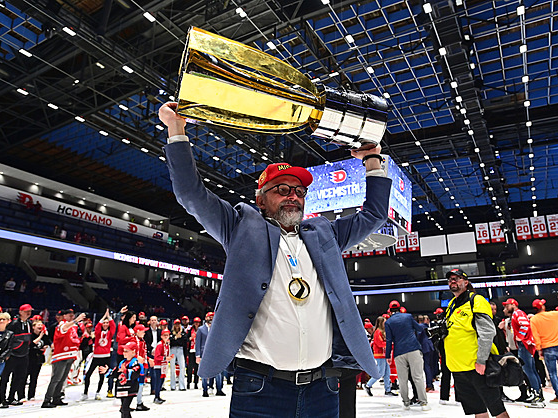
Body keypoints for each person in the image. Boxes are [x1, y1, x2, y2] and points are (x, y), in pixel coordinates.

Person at [159, 100, 389, 417]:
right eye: (281, 189)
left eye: (299, 191)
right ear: (261, 199)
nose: (293, 195)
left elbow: (375, 215)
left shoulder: (325, 232)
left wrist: (372, 160)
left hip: (323, 388)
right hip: (260, 390)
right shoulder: (240, 225)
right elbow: (190, 194)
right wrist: (176, 129)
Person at [443, 268, 508, 418]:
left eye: (457, 278)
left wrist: (481, 360)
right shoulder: (452, 304)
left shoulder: (476, 300)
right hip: (457, 367)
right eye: (450, 279)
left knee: (496, 408)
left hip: (476, 366)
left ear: (466, 282)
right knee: (477, 410)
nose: (453, 281)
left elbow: (487, 332)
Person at [529, 296, 558, 404]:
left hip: (547, 348)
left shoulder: (534, 319)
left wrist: (539, 349)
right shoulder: (552, 314)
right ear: (543, 307)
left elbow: (536, 336)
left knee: (553, 374)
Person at [384, 300, 429, 410]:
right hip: (413, 348)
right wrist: (424, 325)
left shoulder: (388, 323)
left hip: (399, 352)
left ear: (390, 311)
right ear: (400, 308)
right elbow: (418, 328)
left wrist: (387, 356)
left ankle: (406, 403)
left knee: (402, 379)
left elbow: (389, 340)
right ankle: (423, 403)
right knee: (417, 377)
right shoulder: (408, 317)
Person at [502, 298, 544, 404]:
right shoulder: (517, 314)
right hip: (526, 344)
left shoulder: (518, 313)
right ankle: (537, 393)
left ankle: (536, 394)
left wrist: (519, 337)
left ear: (513, 304)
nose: (505, 308)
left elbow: (525, 325)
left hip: (524, 344)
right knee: (531, 370)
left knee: (528, 371)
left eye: (507, 306)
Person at [42, 309, 86, 408]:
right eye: (69, 315)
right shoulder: (62, 324)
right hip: (61, 356)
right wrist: (76, 320)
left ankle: (56, 398)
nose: (71, 317)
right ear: (64, 316)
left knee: (62, 379)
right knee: (56, 379)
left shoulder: (74, 326)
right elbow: (65, 328)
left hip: (70, 355)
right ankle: (47, 400)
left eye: (72, 315)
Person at [0, 303, 33, 408]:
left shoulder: (29, 324)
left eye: (30, 311)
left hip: (24, 355)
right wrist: (6, 353)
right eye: (26, 311)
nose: (29, 313)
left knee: (19, 377)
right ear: (20, 312)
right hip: (12, 355)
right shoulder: (13, 324)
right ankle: (2, 400)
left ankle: (11, 397)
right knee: (5, 378)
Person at [82, 309, 115, 400]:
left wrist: (109, 317)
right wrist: (104, 316)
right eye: (104, 323)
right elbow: (97, 326)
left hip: (106, 357)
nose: (105, 324)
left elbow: (113, 326)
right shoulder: (98, 332)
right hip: (96, 357)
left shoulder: (110, 333)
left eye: (107, 323)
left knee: (102, 376)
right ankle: (85, 393)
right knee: (88, 375)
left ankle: (98, 392)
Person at [106, 342, 143, 418]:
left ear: (133, 352)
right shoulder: (122, 362)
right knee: (124, 409)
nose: (124, 353)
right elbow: (116, 372)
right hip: (122, 388)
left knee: (125, 408)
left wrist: (125, 371)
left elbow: (135, 374)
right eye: (124, 351)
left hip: (130, 388)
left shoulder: (135, 362)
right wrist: (107, 371)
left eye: (126, 351)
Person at [364, 316, 396, 397]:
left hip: (384, 354)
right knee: (380, 372)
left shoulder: (382, 331)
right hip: (379, 355)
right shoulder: (378, 332)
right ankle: (368, 385)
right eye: (384, 322)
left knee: (387, 373)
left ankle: (387, 390)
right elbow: (379, 343)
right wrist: (389, 345)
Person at [195, 312, 225, 397]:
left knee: (218, 372)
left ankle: (219, 389)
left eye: (212, 317)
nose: (211, 318)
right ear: (206, 318)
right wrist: (198, 355)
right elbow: (198, 343)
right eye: (209, 317)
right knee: (204, 372)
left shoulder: (217, 328)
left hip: (216, 352)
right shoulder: (201, 329)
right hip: (204, 353)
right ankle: (205, 390)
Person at [27, 320, 50, 400]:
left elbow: (47, 343)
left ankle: (31, 395)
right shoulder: (30, 335)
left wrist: (45, 347)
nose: (40, 326)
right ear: (33, 327)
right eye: (38, 325)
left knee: (34, 378)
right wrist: (40, 336)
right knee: (24, 377)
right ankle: (21, 395)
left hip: (38, 359)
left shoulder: (44, 336)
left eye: (41, 325)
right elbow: (32, 344)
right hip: (30, 358)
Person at [131, 324, 150, 411]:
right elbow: (127, 351)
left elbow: (144, 353)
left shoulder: (142, 341)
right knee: (131, 385)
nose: (144, 333)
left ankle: (139, 403)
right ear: (138, 331)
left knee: (141, 385)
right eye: (143, 331)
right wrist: (136, 357)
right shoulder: (133, 340)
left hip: (141, 366)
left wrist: (148, 360)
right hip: (134, 366)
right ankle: (126, 404)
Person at [153, 329, 173, 404]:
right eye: (164, 335)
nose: (166, 337)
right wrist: (165, 358)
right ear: (161, 336)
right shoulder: (160, 345)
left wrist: (169, 357)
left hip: (164, 365)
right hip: (158, 366)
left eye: (167, 335)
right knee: (158, 381)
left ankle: (158, 396)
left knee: (161, 382)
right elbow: (157, 356)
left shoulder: (166, 344)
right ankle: (156, 397)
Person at [169, 319, 188, 391]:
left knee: (182, 367)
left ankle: (182, 385)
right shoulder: (171, 332)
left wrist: (176, 339)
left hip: (180, 349)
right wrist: (176, 338)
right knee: (172, 368)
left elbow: (184, 341)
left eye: (178, 324)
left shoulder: (183, 332)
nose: (177, 326)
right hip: (173, 349)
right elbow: (171, 341)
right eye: (176, 324)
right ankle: (173, 385)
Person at [143, 316, 159, 396]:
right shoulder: (146, 332)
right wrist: (152, 350)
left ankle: (154, 389)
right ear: (149, 321)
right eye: (152, 320)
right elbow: (145, 343)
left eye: (155, 320)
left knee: (155, 373)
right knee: (145, 371)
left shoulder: (160, 331)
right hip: (149, 354)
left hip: (158, 354)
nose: (153, 322)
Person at [186, 317, 201, 389]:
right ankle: (188, 382)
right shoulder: (190, 330)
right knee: (190, 367)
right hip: (191, 351)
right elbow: (185, 339)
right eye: (195, 322)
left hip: (198, 351)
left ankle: (196, 383)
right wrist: (190, 338)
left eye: (198, 322)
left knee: (196, 368)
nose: (197, 324)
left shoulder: (201, 330)